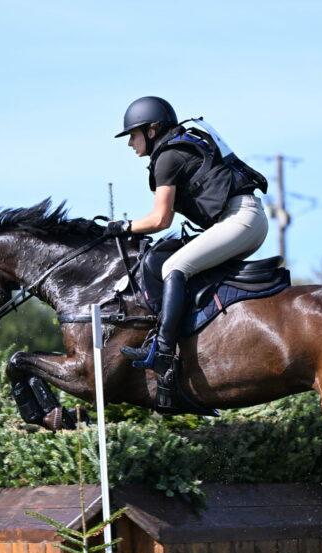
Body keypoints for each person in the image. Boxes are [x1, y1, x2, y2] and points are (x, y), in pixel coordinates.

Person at [104, 96, 270, 412]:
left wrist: (122, 226)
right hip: (243, 219)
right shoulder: (178, 147)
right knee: (172, 258)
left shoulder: (167, 157)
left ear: (152, 130)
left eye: (132, 134)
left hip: (240, 219)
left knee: (173, 267)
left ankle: (164, 355)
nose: (129, 143)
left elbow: (159, 220)